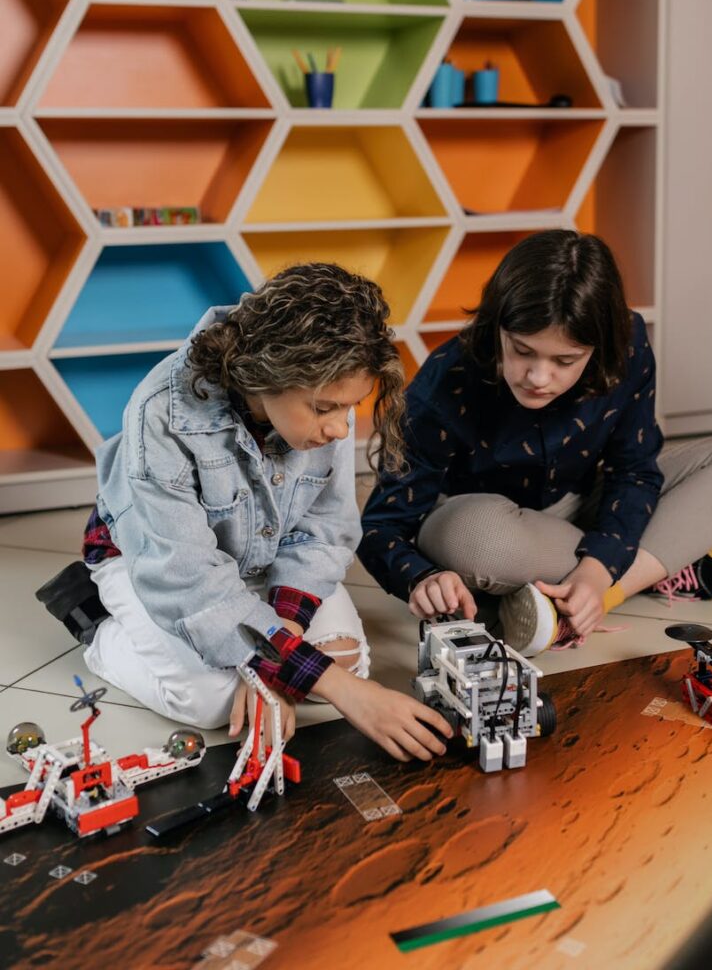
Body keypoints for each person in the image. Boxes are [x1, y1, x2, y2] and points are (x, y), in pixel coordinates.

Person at [38, 263, 451, 763]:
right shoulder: (160, 412)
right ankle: (95, 620)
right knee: (211, 701)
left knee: (350, 662)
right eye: (324, 409)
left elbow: (321, 533)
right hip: (153, 564)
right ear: (267, 375)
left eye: (351, 408)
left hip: (257, 557)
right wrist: (315, 678)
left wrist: (277, 658)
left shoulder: (323, 401)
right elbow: (188, 585)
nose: (342, 429)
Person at [359, 230, 712, 655]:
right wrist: (420, 577)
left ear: (599, 347)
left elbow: (633, 470)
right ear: (498, 322)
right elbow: (383, 525)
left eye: (565, 361)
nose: (538, 378)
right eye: (522, 351)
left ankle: (588, 598)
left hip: (581, 504)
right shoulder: (447, 381)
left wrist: (596, 573)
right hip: (489, 522)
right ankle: (662, 556)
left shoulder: (627, 344)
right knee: (480, 542)